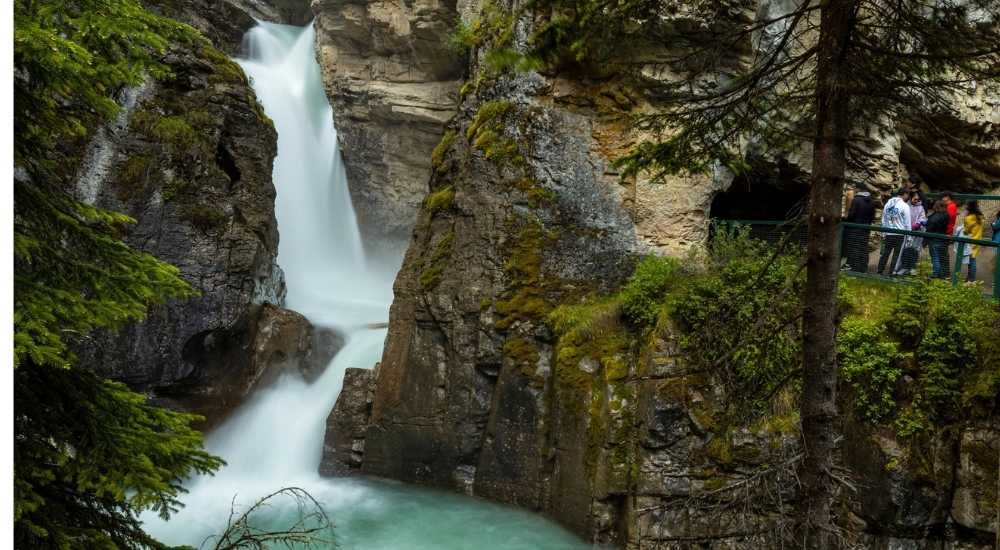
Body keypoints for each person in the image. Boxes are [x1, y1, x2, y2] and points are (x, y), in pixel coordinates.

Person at [877, 188, 911, 275]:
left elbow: (883, 219)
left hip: (888, 232)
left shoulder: (888, 204)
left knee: (885, 253)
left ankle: (879, 270)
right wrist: (909, 236)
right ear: (905, 194)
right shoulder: (904, 206)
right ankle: (891, 272)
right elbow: (907, 223)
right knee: (897, 255)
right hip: (899, 234)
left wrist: (884, 231)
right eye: (908, 195)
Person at [843, 187, 876, 272]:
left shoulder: (856, 200)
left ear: (858, 190)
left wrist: (847, 219)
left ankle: (854, 267)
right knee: (863, 247)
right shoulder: (872, 202)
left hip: (855, 228)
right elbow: (872, 217)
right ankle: (863, 267)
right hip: (866, 229)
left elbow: (851, 215)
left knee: (854, 247)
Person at [895, 193, 927, 275]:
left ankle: (912, 268)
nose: (916, 201)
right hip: (906, 231)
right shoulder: (905, 206)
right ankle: (903, 267)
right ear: (910, 198)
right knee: (905, 249)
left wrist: (918, 223)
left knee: (914, 250)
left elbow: (922, 217)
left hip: (917, 231)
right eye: (914, 199)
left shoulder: (921, 208)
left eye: (917, 199)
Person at [925, 200, 951, 278]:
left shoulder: (933, 217)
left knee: (935, 257)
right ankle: (944, 274)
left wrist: (925, 241)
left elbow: (929, 229)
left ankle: (936, 274)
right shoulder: (946, 215)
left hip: (934, 240)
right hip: (943, 239)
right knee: (943, 258)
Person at [962, 201, 985, 282]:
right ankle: (970, 278)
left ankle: (971, 280)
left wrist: (964, 218)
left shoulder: (968, 218)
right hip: (977, 240)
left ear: (969, 207)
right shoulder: (980, 217)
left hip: (970, 240)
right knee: (972, 259)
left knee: (971, 261)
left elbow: (965, 231)